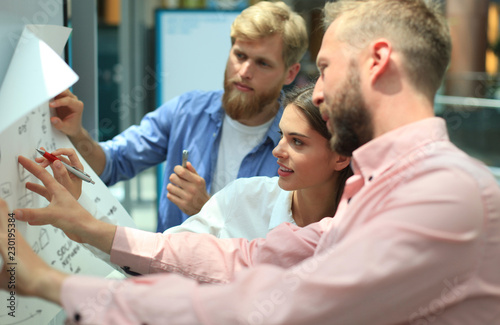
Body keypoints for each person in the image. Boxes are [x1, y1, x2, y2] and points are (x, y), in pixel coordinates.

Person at [2, 0, 500, 324]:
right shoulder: (376, 189)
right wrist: (93, 229)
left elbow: (281, 305)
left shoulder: (441, 193)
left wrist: (53, 284)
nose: (317, 93)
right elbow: (247, 259)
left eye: (324, 70)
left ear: (378, 60)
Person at [50, 1, 308, 232]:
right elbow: (111, 164)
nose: (244, 71)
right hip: (170, 280)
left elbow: (286, 246)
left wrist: (208, 210)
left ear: (290, 73)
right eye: (239, 55)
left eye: (263, 63)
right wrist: (76, 133)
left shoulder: (298, 143)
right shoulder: (187, 111)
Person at [164, 84, 352, 239]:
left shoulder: (363, 228)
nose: (277, 151)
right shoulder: (242, 199)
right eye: (281, 135)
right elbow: (169, 250)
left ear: (341, 157)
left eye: (297, 141)